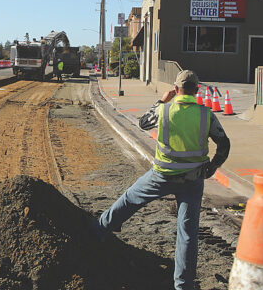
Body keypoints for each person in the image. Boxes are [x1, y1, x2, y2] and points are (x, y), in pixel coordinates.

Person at [94, 70, 230, 290]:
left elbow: (142, 123)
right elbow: (224, 144)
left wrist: (160, 100)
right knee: (187, 232)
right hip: (193, 179)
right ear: (196, 91)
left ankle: (100, 229)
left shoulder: (164, 110)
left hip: (162, 175)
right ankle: (183, 285)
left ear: (176, 90)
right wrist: (213, 167)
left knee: (130, 198)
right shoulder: (207, 115)